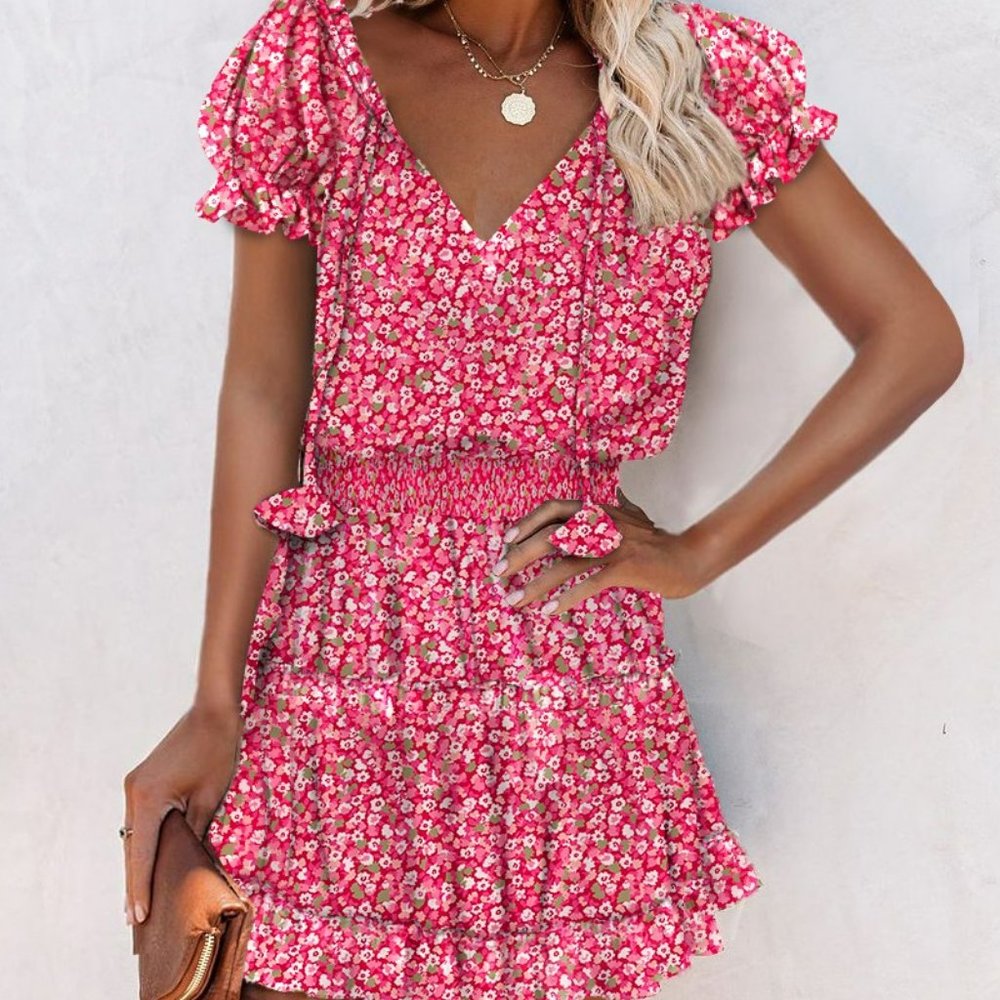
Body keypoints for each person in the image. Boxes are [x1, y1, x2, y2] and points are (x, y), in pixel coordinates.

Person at [121, 1, 963, 997]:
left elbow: (912, 336)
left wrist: (700, 551)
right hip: (341, 660)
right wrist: (216, 699)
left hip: (562, 685)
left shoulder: (691, 76)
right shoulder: (313, 65)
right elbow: (262, 387)